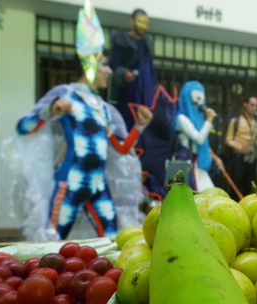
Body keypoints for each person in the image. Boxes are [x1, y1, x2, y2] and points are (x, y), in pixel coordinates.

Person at [8, 1, 153, 240]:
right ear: (90, 64)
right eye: (105, 65)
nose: (109, 71)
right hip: (71, 181)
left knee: (112, 240)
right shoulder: (66, 95)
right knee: (53, 241)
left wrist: (139, 125)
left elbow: (122, 148)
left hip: (98, 183)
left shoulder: (102, 109)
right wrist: (51, 110)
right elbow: (23, 127)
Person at [109, 8, 177, 199]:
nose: (143, 27)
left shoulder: (147, 44)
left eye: (146, 23)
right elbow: (114, 64)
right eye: (140, 22)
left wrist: (154, 90)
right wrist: (123, 74)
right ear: (132, 22)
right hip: (129, 92)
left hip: (146, 92)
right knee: (129, 131)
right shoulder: (121, 40)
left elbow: (152, 71)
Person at [174, 81, 224, 192]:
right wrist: (209, 119)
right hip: (187, 165)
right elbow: (199, 139)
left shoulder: (198, 121)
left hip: (197, 166)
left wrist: (215, 158)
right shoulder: (182, 118)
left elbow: (204, 145)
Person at [225, 96, 257, 199]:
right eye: (252, 105)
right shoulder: (235, 121)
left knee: (249, 187)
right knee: (236, 186)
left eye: (256, 106)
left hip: (251, 158)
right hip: (238, 157)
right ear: (245, 105)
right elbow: (228, 140)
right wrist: (241, 147)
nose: (254, 108)